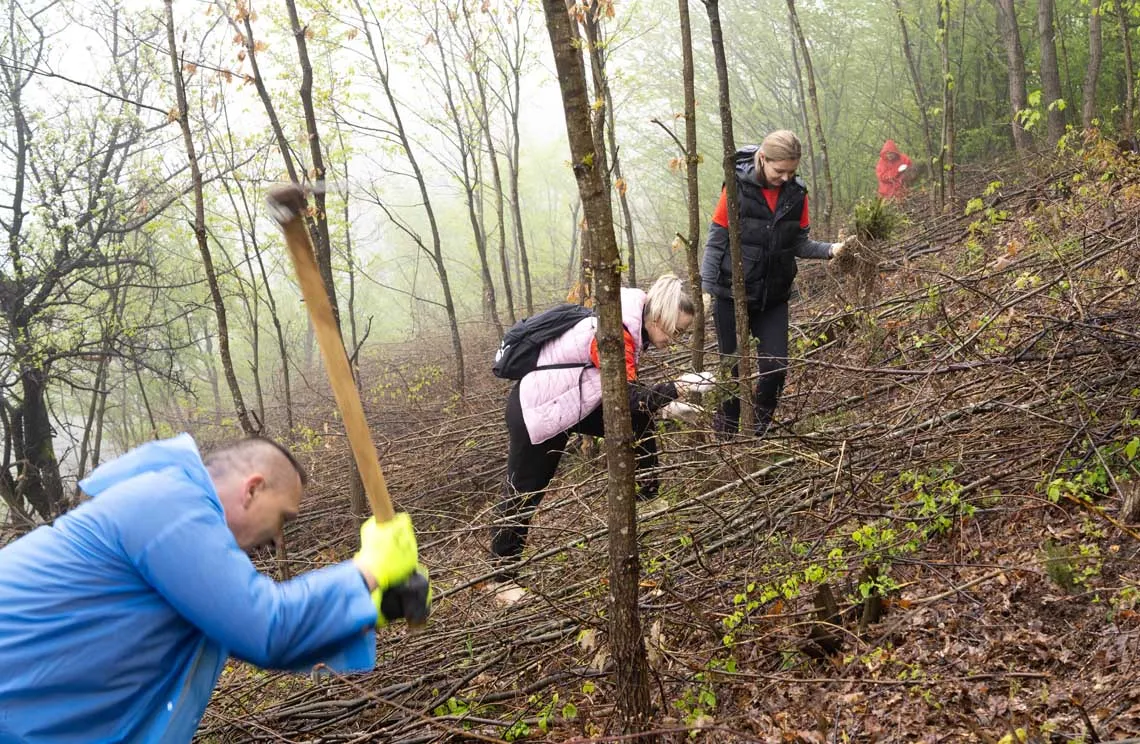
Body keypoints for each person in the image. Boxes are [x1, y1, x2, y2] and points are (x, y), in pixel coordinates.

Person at [0, 434, 426, 743]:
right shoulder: (166, 501)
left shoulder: (175, 523)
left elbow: (267, 641)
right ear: (252, 489)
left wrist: (374, 606)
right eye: (282, 518)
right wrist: (367, 569)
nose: (277, 537)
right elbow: (267, 629)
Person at [489, 275, 713, 586]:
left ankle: (647, 501)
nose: (674, 340)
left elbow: (622, 393)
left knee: (638, 420)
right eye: (675, 330)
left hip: (571, 404)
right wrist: (677, 388)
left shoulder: (626, 324)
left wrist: (666, 406)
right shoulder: (613, 333)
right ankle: (502, 579)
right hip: (538, 410)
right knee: (524, 492)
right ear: (659, 315)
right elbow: (626, 397)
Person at [700, 130, 849, 438]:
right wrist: (706, 287)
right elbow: (717, 240)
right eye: (779, 171)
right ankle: (726, 435)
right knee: (732, 370)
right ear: (763, 159)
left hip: (774, 296)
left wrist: (831, 250)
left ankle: (760, 432)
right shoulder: (736, 186)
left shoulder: (796, 194)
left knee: (776, 367)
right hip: (732, 294)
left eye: (791, 172)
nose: (785, 177)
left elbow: (799, 243)